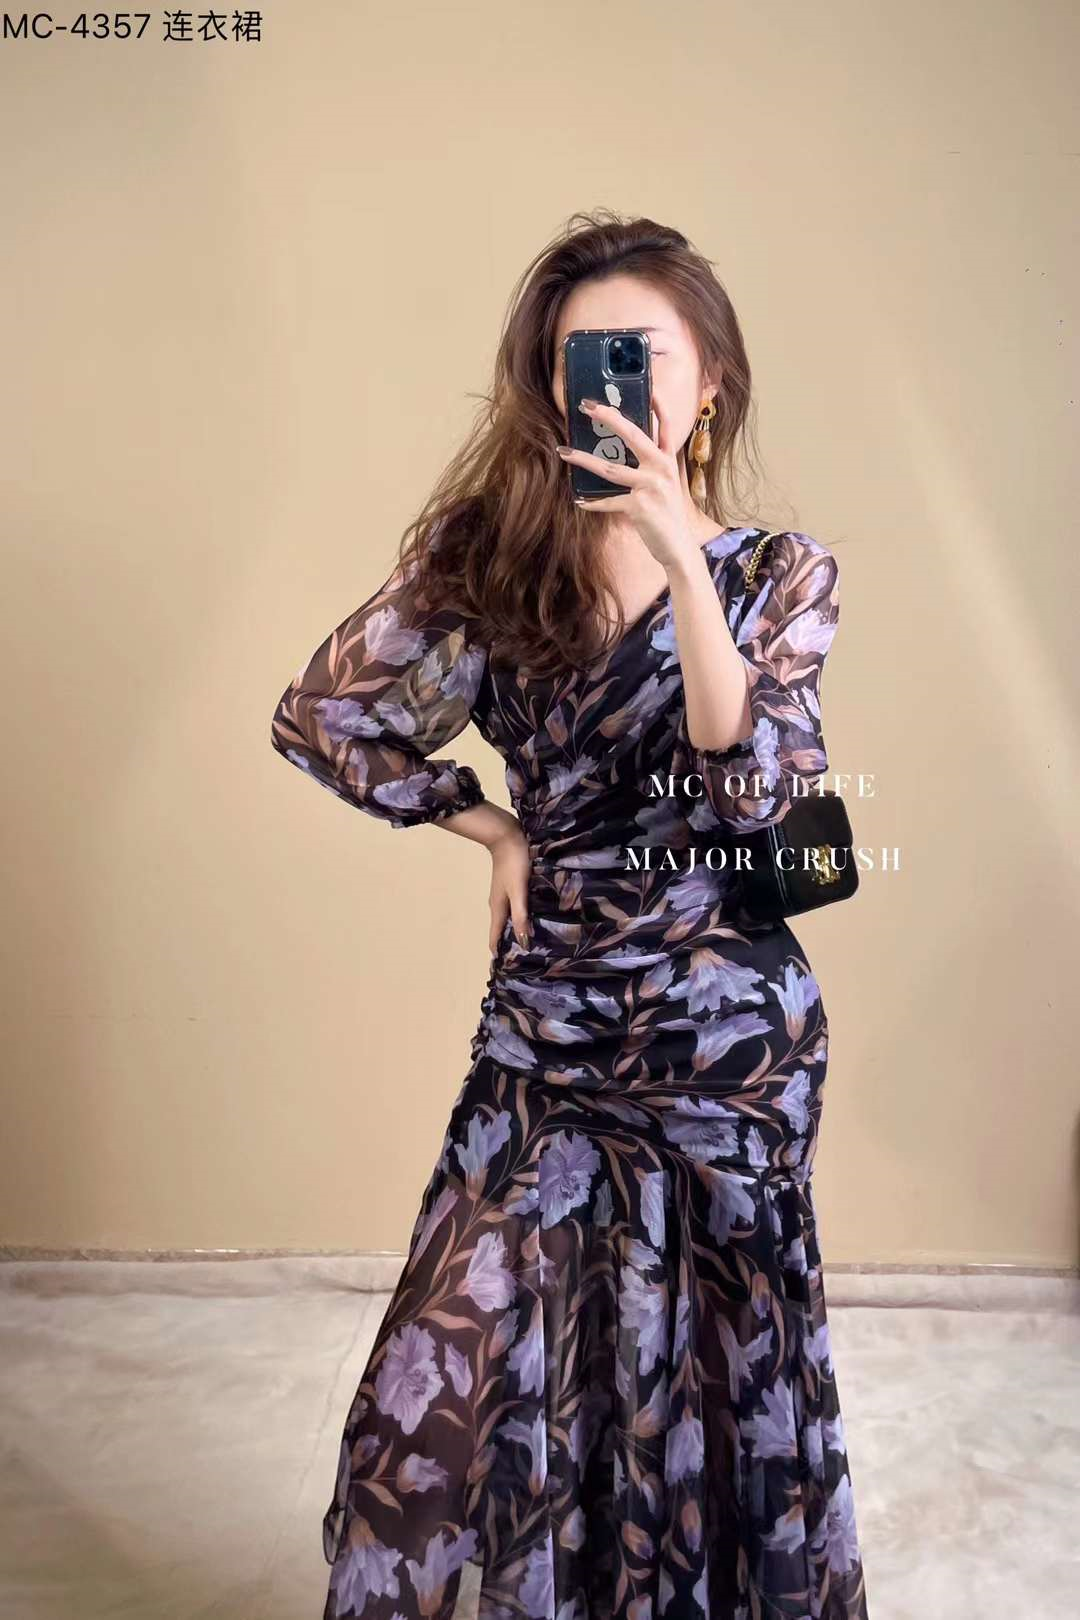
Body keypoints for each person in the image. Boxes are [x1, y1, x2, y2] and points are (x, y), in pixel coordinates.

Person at [270, 210, 870, 1620]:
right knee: (433, 1421)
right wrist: (488, 822)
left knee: (705, 1401)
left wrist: (680, 558)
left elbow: (754, 794)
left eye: (640, 352)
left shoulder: (782, 575)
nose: (606, 381)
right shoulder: (495, 556)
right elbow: (325, 715)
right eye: (576, 357)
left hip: (726, 1047)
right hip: (550, 1026)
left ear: (710, 379)